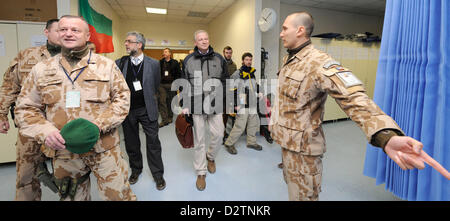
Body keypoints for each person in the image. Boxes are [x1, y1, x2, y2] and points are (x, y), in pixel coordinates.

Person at [271, 12, 428, 201]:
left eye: (284, 28)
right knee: (292, 192)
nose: (281, 34)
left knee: (303, 198)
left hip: (304, 152)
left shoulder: (319, 62)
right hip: (289, 145)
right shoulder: (291, 60)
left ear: (300, 30)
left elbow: (353, 96)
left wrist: (385, 134)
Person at [14, 15, 136, 201]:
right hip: (64, 151)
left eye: (75, 30)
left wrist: (98, 125)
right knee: (72, 197)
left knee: (118, 196)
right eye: (63, 29)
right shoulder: (41, 69)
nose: (68, 33)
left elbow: (122, 100)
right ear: (56, 33)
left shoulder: (106, 66)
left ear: (87, 36)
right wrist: (45, 131)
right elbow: (25, 109)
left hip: (103, 148)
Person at [0, 18, 61, 201]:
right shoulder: (26, 56)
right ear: (46, 32)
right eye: (58, 30)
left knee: (70, 177)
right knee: (26, 177)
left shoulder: (77, 58)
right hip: (31, 127)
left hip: (63, 127)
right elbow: (10, 86)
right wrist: (1, 113)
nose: (63, 34)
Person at [116, 31, 166, 190]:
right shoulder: (120, 63)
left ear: (139, 44)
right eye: (126, 41)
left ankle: (158, 175)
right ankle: (136, 170)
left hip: (147, 108)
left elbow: (156, 84)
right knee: (131, 143)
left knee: (153, 143)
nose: (126, 44)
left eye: (129, 41)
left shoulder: (153, 64)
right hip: (128, 110)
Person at [180, 30, 228, 191]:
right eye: (200, 39)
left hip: (216, 104)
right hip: (196, 104)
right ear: (195, 42)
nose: (204, 41)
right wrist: (185, 104)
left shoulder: (219, 58)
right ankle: (201, 172)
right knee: (199, 140)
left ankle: (211, 157)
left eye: (206, 38)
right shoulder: (188, 60)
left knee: (219, 134)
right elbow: (184, 83)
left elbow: (225, 81)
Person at [224, 52, 263, 154]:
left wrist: (259, 91)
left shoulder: (252, 73)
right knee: (240, 126)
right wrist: (234, 104)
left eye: (250, 60)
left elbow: (254, 85)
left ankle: (251, 142)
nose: (249, 62)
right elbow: (230, 89)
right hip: (242, 103)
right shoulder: (237, 74)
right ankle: (229, 143)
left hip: (252, 102)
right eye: (247, 60)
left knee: (253, 124)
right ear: (242, 61)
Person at [158, 48, 181, 127]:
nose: (164, 53)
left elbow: (178, 74)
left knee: (170, 102)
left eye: (166, 51)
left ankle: (170, 117)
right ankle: (164, 120)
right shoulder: (160, 62)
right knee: (162, 101)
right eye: (163, 51)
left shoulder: (175, 63)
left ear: (170, 53)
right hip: (162, 85)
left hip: (172, 84)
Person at [222, 46, 237, 144]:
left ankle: (226, 133)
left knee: (228, 114)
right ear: (224, 53)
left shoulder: (234, 65)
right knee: (221, 115)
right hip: (221, 92)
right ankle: (222, 134)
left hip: (230, 92)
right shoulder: (219, 63)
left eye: (230, 53)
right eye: (227, 52)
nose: (228, 54)